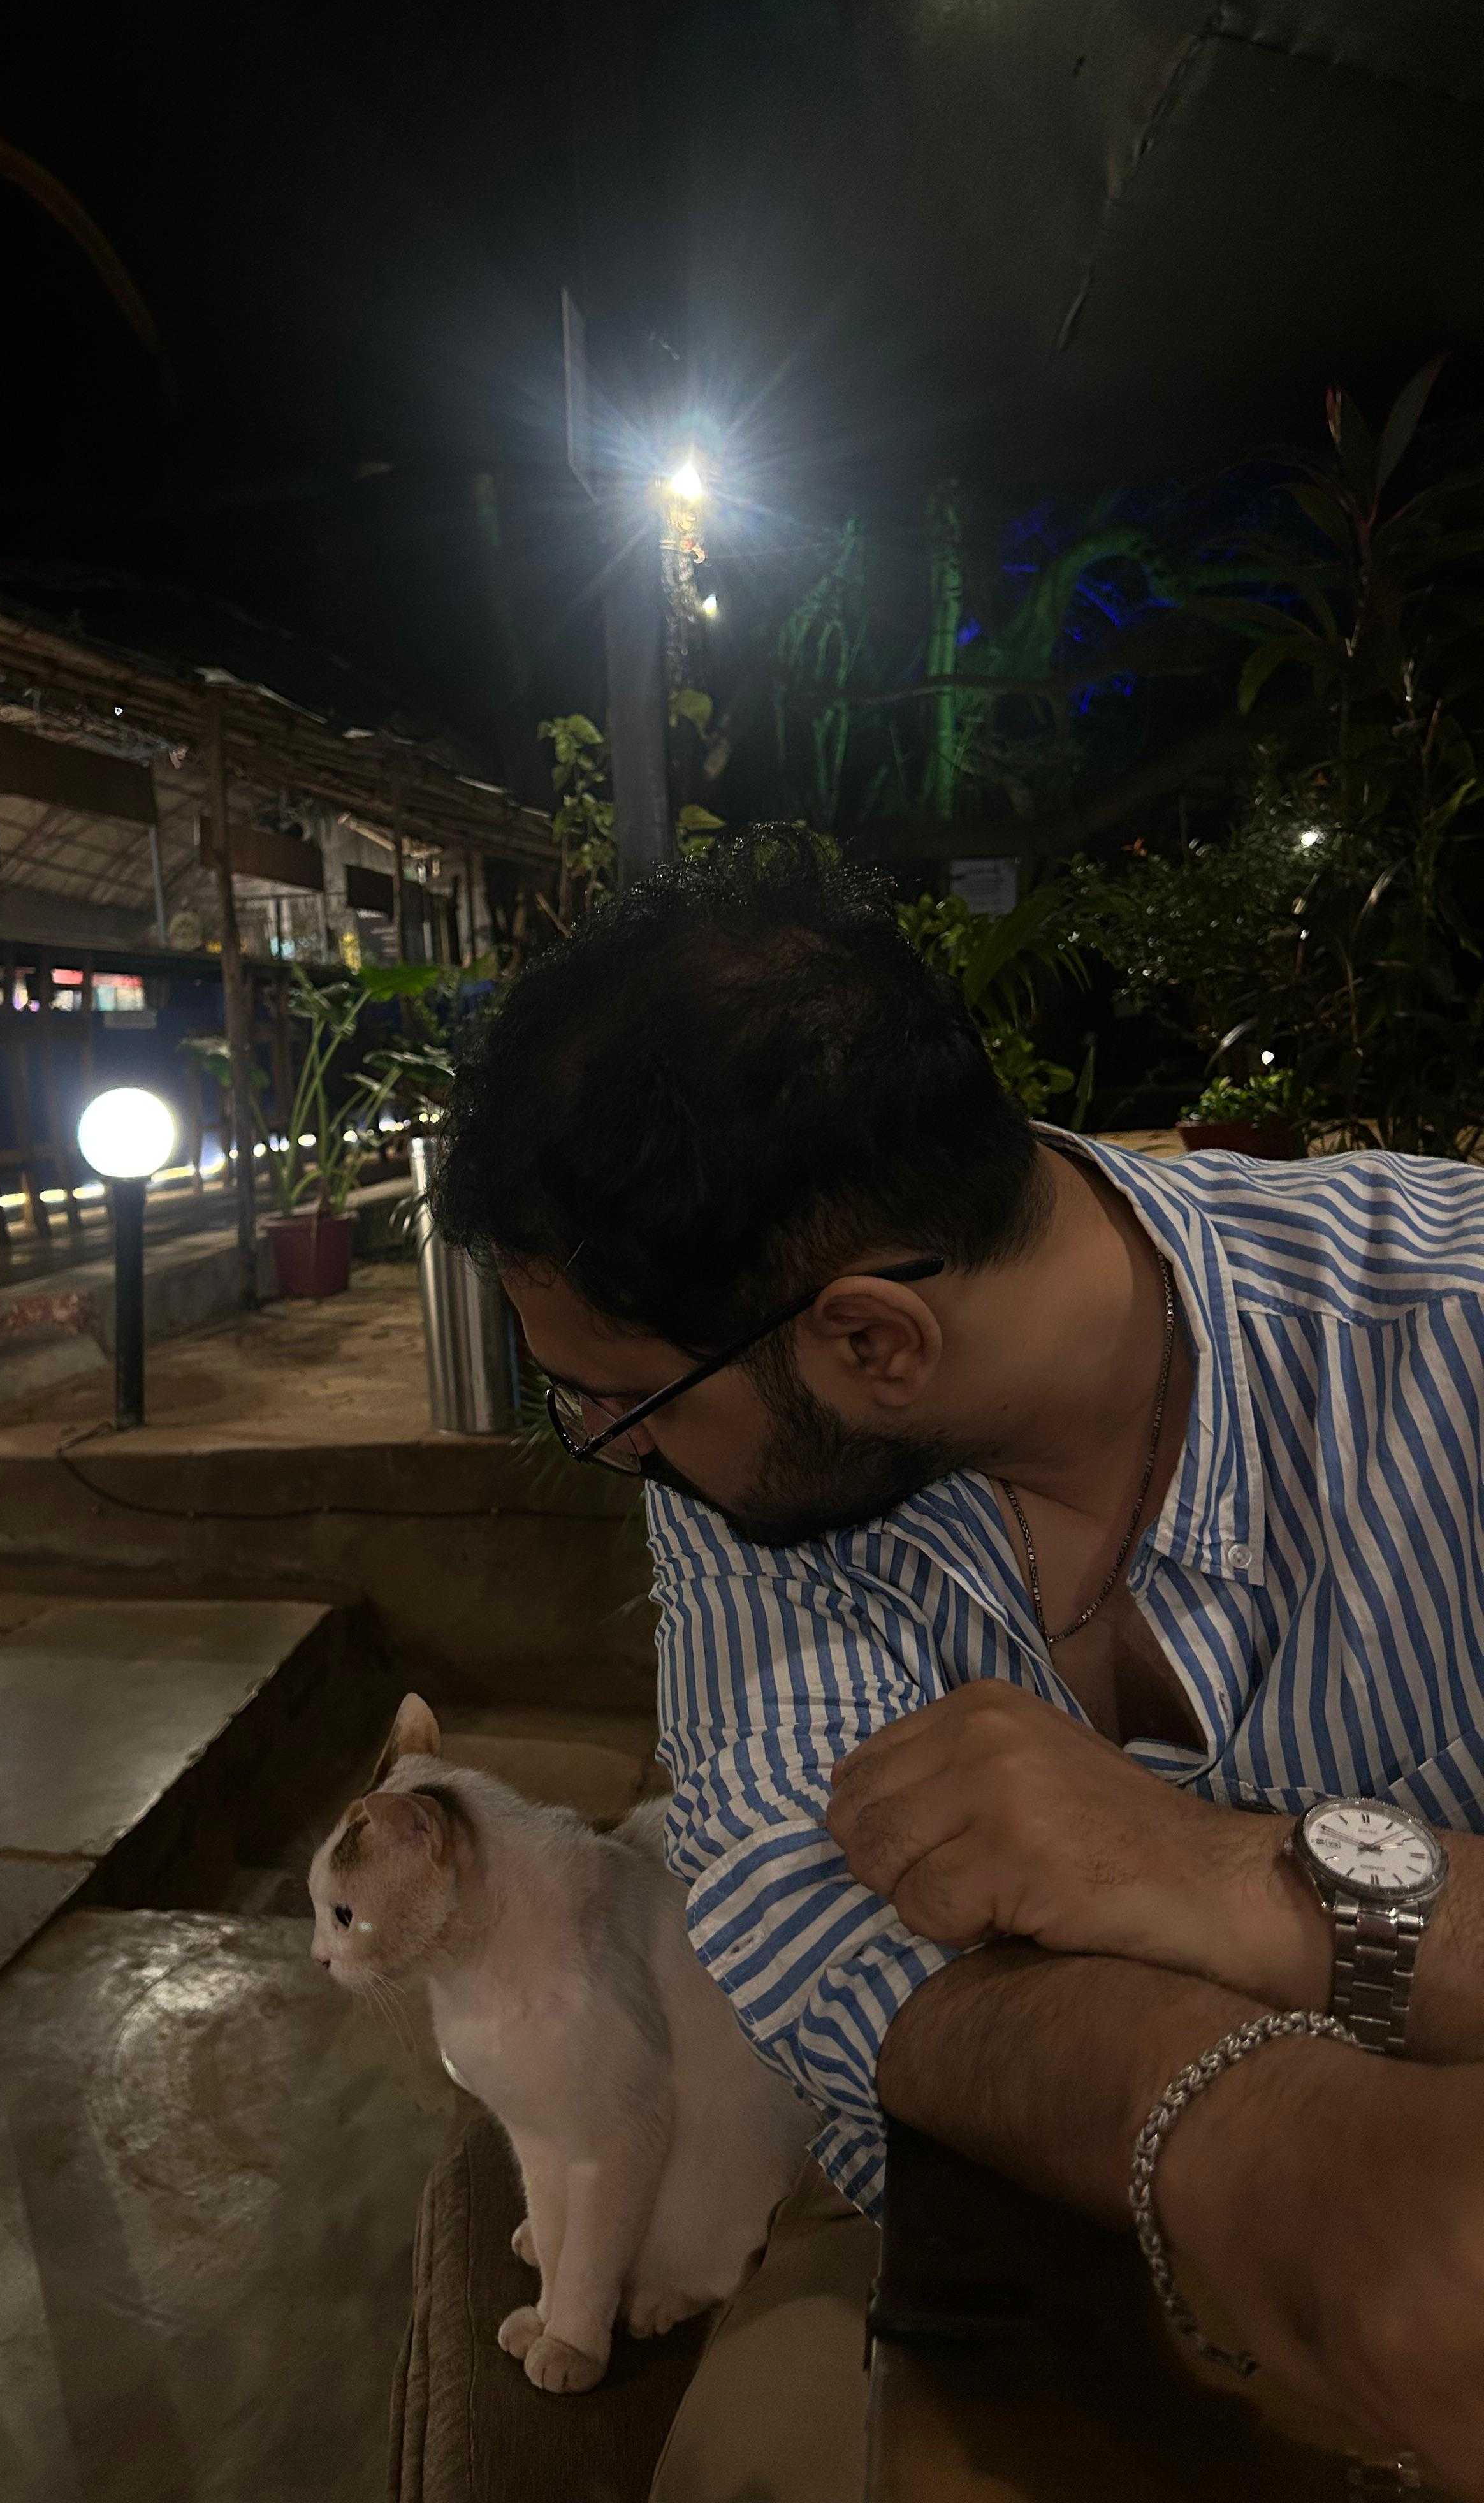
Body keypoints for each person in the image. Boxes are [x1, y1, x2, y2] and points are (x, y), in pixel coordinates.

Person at [429, 829, 1484, 2499]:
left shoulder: (1455, 1330)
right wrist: (1261, 2146)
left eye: (615, 1406)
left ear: (872, 1341)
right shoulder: (758, 1473)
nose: (611, 1456)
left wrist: (1250, 1880)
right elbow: (794, 1892)